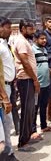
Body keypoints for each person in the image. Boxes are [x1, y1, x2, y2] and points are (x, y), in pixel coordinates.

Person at [14, 19, 41, 151]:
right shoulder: (21, 41)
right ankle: (22, 143)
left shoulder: (25, 41)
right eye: (30, 29)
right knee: (26, 111)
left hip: (29, 79)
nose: (33, 31)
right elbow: (25, 63)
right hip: (26, 80)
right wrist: (35, 80)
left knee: (30, 110)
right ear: (23, 28)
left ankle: (27, 137)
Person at [32, 30, 51, 134]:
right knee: (35, 107)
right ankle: (33, 130)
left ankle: (44, 126)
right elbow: (32, 66)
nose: (44, 40)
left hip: (46, 82)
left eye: (45, 38)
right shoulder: (33, 50)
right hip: (38, 84)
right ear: (36, 39)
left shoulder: (44, 50)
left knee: (43, 105)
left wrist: (48, 69)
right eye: (42, 39)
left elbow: (43, 63)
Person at [0, 17, 16, 160]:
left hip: (9, 86)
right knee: (5, 123)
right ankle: (7, 153)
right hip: (3, 87)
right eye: (8, 27)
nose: (10, 30)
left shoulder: (5, 44)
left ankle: (8, 151)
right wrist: (4, 96)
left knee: (7, 122)